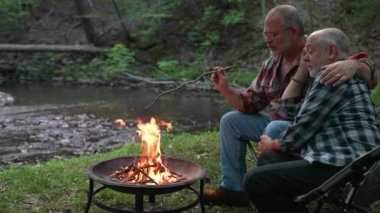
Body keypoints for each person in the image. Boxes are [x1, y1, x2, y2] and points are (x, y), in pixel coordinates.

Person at [204, 4, 377, 206]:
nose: (267, 39)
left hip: (317, 139)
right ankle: (234, 189)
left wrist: (357, 64)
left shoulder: (326, 61)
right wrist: (225, 89)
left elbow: (366, 72)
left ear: (293, 32)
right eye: (265, 34)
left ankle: (275, 188)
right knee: (231, 121)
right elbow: (252, 104)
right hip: (295, 127)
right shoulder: (272, 65)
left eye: (273, 34)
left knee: (275, 128)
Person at [242, 27, 380, 213]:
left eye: (310, 51)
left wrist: (274, 144)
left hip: (347, 168)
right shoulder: (344, 75)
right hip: (355, 164)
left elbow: (301, 129)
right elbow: (289, 109)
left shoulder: (330, 77)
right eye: (304, 52)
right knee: (269, 160)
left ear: (331, 52)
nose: (304, 57)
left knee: (254, 180)